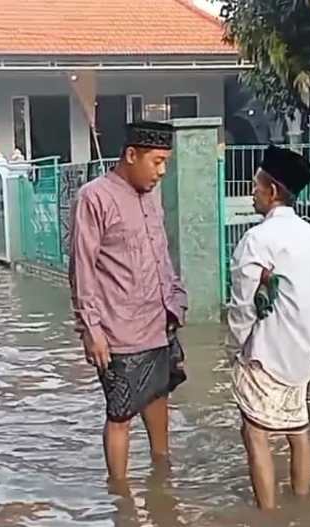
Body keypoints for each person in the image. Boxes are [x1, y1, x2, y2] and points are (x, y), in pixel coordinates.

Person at [227, 146, 310, 510]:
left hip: (263, 357)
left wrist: (232, 348)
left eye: (255, 186)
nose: (252, 193)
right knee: (298, 432)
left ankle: (268, 519)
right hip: (300, 358)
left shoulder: (256, 240)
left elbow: (241, 308)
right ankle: (301, 508)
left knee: (256, 435)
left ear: (272, 192)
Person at [69, 121, 188, 488]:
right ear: (131, 155)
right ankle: (120, 497)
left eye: (166, 161)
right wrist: (92, 330)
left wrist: (176, 299)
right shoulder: (94, 198)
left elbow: (161, 252)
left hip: (159, 322)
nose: (162, 171)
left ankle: (161, 482)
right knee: (120, 414)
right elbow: (81, 267)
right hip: (117, 331)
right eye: (156, 162)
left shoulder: (151, 195)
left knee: (158, 397)